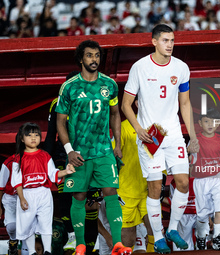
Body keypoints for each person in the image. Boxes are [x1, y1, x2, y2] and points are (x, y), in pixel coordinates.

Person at [121, 24, 199, 254]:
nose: (170, 45)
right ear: (154, 41)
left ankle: (173, 228)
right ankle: (158, 237)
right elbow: (126, 104)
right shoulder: (140, 67)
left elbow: (184, 103)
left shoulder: (182, 67)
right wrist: (138, 128)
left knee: (183, 182)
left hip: (173, 132)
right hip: (151, 134)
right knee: (155, 187)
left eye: (172, 40)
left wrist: (192, 136)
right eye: (165, 40)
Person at [55, 40, 131, 255]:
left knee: (111, 193)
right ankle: (80, 244)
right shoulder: (69, 86)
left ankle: (116, 243)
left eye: (97, 56)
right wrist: (69, 151)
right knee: (79, 197)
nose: (94, 60)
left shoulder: (110, 85)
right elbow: (60, 121)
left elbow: (116, 114)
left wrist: (116, 144)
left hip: (104, 151)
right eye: (89, 55)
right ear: (81, 59)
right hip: (79, 154)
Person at [45, 71, 101, 255]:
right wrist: (44, 158)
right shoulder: (58, 103)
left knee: (91, 201)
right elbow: (51, 133)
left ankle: (92, 244)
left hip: (89, 155)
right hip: (64, 155)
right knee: (66, 195)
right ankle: (71, 234)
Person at [11, 122, 75, 255]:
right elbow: (17, 182)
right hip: (27, 193)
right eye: (29, 135)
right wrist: (21, 198)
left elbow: (53, 174)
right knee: (26, 225)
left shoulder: (45, 155)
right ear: (22, 139)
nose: (33, 138)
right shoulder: (18, 158)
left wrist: (66, 171)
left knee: (46, 223)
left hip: (44, 193)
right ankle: (32, 252)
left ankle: (47, 251)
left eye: (36, 135)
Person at [113, 96, 154, 252]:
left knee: (155, 233)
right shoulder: (123, 126)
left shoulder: (157, 128)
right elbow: (113, 158)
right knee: (128, 240)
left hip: (149, 190)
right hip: (126, 191)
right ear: (136, 103)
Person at [191, 108, 220, 250]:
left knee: (219, 208)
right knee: (202, 213)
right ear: (200, 123)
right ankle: (201, 237)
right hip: (201, 181)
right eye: (206, 121)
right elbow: (190, 163)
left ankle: (217, 237)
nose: (210, 124)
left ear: (218, 124)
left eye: (214, 122)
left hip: (219, 179)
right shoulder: (195, 140)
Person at [0, 154, 19, 255]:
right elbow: (1, 187)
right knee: (12, 226)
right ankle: (13, 241)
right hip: (11, 197)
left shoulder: (36, 158)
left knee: (28, 230)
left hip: (30, 196)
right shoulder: (8, 162)